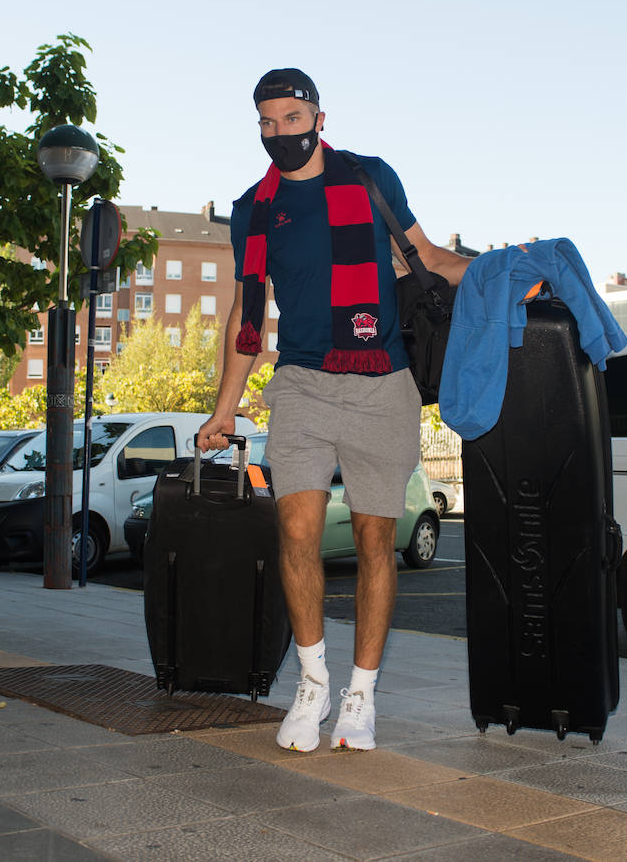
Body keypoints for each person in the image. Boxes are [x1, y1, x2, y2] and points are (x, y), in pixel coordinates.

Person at [197, 68, 471, 752]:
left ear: (319, 117)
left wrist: (508, 271)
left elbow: (431, 258)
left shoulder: (369, 177)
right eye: (266, 121)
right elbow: (247, 313)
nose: (279, 133)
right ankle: (313, 684)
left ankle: (361, 696)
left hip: (383, 383)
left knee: (378, 542)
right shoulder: (252, 210)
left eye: (291, 117)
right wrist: (222, 409)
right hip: (302, 386)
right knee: (296, 534)